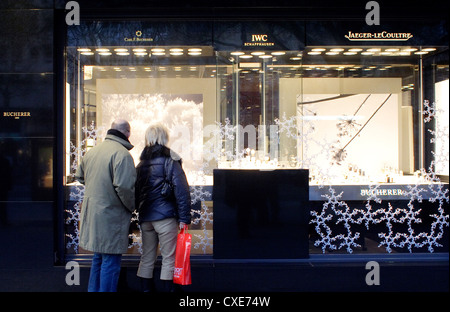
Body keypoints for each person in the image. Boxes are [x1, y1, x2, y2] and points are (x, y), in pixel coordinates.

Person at [75, 119, 136, 292]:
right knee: (110, 261)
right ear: (127, 133)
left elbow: (80, 176)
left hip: (93, 214)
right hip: (111, 215)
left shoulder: (92, 152)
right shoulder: (122, 154)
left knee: (98, 258)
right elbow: (125, 188)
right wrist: (132, 206)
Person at [135, 124, 191, 292]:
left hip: (146, 218)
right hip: (165, 217)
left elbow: (135, 192)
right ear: (164, 138)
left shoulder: (141, 165)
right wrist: (184, 218)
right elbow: (182, 191)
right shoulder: (170, 161)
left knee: (147, 258)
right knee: (169, 258)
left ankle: (146, 290)